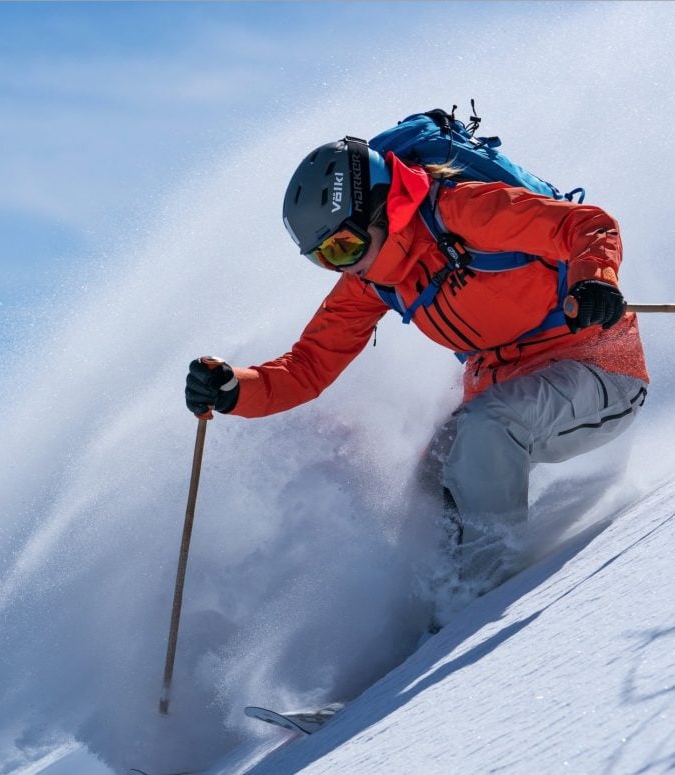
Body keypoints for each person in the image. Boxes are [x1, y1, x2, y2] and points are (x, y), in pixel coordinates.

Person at [184, 136, 649, 626]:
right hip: (505, 389)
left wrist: (594, 278)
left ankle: (477, 610)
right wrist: (235, 387)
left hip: (597, 368)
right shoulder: (373, 279)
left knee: (489, 427)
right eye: (324, 258)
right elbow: (308, 365)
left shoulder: (464, 212)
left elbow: (585, 225)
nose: (343, 265)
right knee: (432, 482)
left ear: (386, 205)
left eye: (345, 246)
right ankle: (417, 639)